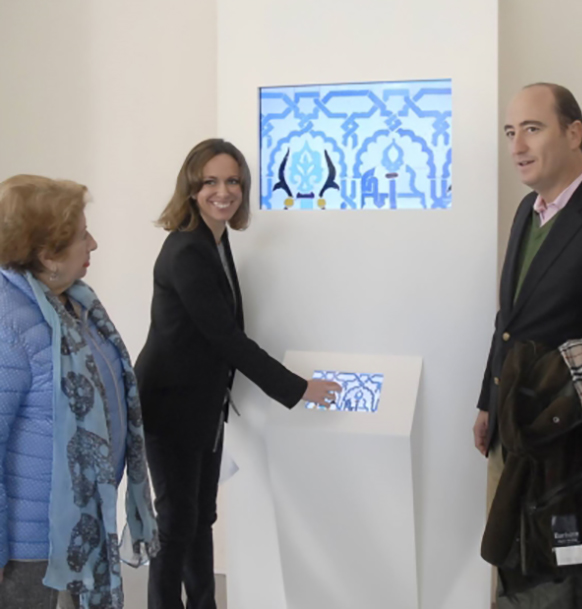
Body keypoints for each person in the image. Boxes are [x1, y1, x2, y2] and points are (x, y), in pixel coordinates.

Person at [135, 139, 341, 609]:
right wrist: (299, 388)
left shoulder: (215, 238)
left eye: (232, 181)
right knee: (177, 522)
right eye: (210, 181)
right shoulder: (187, 250)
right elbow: (226, 338)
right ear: (191, 188)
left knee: (199, 516)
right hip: (168, 405)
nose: (223, 192)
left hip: (202, 405)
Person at [473, 83, 582, 607]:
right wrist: (488, 399)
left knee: (560, 584)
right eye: (510, 132)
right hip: (509, 431)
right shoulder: (528, 209)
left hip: (567, 450)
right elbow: (508, 319)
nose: (517, 146)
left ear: (574, 133)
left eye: (532, 128)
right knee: (510, 565)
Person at [0, 175, 158, 609]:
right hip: (30, 547)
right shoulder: (9, 323)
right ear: (48, 254)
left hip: (79, 531)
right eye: (82, 236)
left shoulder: (74, 303)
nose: (93, 244)